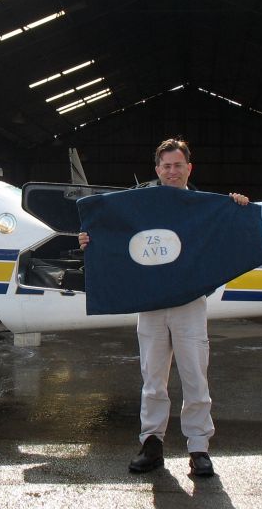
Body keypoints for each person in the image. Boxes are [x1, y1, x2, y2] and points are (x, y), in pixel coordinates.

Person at [78, 137, 249, 477]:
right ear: (157, 170)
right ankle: (152, 443)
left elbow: (230, 235)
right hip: (151, 304)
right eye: (166, 166)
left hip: (189, 305)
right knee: (152, 380)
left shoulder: (206, 209)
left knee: (195, 378)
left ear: (189, 168)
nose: (172, 171)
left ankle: (199, 448)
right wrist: (90, 241)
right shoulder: (141, 209)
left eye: (178, 165)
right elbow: (114, 235)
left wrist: (239, 207)